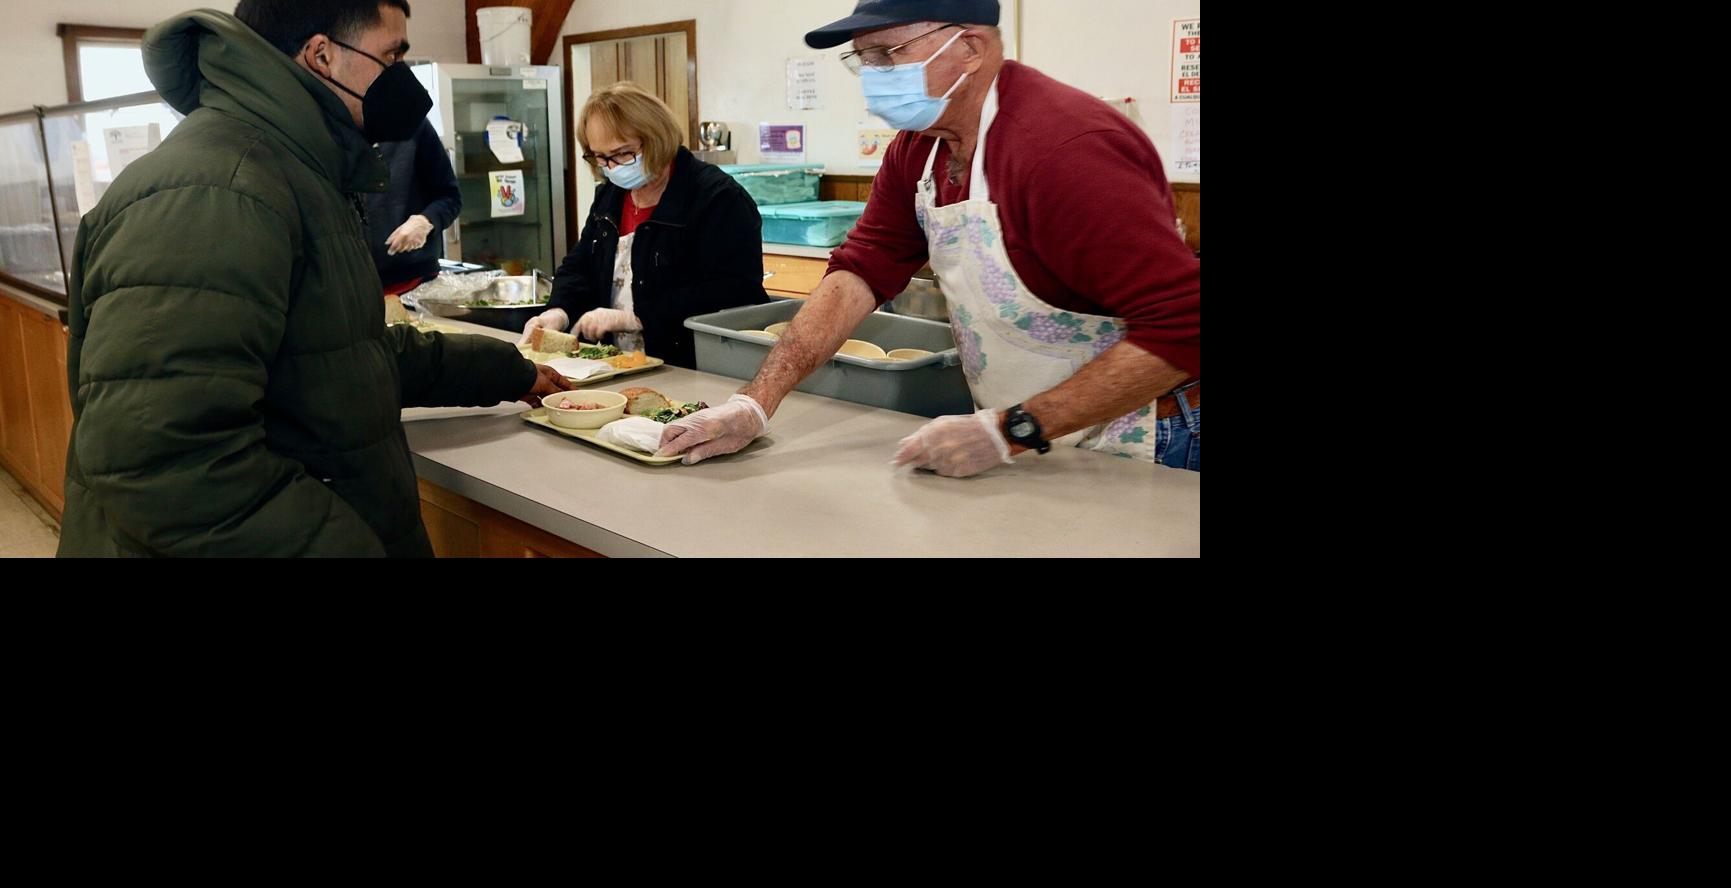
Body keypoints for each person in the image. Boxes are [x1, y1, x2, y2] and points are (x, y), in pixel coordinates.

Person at [58, 1, 572, 557]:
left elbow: (341, 356)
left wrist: (507, 371)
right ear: (322, 56)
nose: (401, 78)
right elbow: (164, 461)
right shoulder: (218, 190)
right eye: (391, 55)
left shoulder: (297, 170)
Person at [657, 0, 1200, 475]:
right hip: (1031, 432)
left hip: (1146, 434)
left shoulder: (1065, 149)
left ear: (968, 47)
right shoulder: (919, 147)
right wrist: (754, 403)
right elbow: (860, 272)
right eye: (861, 58)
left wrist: (1011, 430)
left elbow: (1184, 325)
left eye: (886, 54)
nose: (871, 75)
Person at [519, 82, 769, 368]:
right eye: (600, 157)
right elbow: (581, 266)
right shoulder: (611, 195)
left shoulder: (717, 198)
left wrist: (638, 316)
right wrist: (559, 311)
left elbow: (734, 289)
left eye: (623, 153)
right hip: (622, 363)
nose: (612, 167)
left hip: (693, 365)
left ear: (656, 139)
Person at [366, 117, 461, 295]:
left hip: (414, 280)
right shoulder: (329, 128)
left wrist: (426, 221)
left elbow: (450, 197)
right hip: (353, 284)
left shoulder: (412, 124)